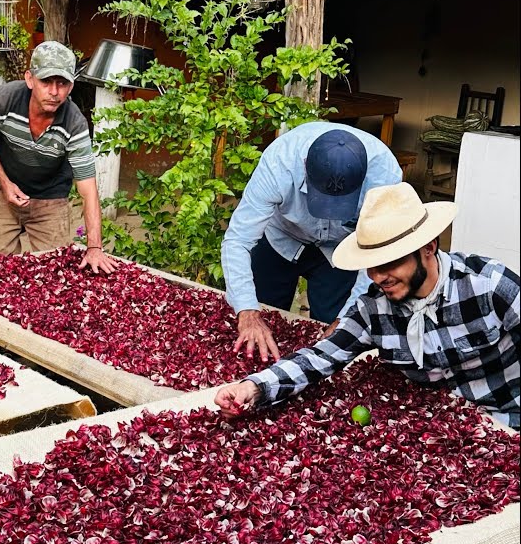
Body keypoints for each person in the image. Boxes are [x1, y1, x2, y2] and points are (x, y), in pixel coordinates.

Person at [215, 181, 518, 430]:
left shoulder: (489, 286)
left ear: (428, 247)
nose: (378, 276)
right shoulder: (373, 309)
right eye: (372, 265)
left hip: (508, 420)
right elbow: (319, 358)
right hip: (436, 429)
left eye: (391, 262)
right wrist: (252, 388)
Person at [221, 122, 402, 361]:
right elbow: (238, 239)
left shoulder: (384, 178)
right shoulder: (280, 164)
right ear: (305, 166)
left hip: (341, 248)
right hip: (282, 237)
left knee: (336, 332)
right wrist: (248, 312)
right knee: (265, 316)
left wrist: (347, 318)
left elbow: (376, 253)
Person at [0, 41, 117, 273]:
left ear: (71, 86)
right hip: (2, 194)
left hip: (50, 200)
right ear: (30, 79)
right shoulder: (4, 100)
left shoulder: (75, 124)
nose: (54, 92)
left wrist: (94, 247)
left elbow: (88, 189)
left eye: (62, 83)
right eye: (46, 81)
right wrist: (6, 185)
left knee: (52, 273)